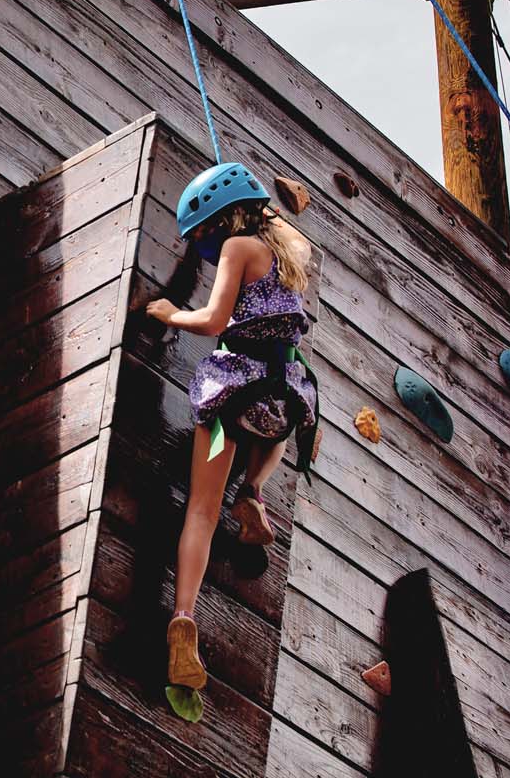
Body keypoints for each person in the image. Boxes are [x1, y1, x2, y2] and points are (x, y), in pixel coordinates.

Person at [145, 162, 319, 693]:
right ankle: (256, 491)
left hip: (235, 391)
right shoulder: (291, 258)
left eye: (200, 230)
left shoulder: (235, 249)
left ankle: (184, 615)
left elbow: (216, 320)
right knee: (280, 430)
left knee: (200, 509)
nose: (199, 240)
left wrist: (171, 314)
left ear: (218, 221)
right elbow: (287, 229)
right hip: (285, 397)